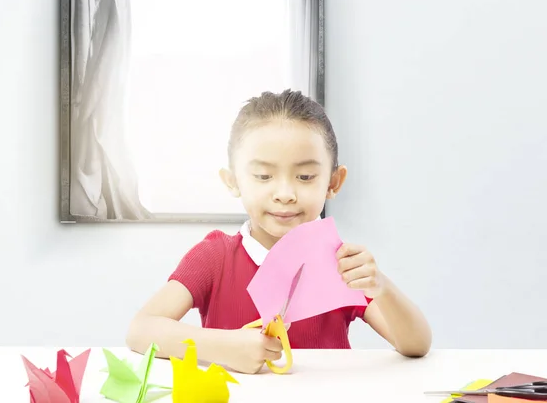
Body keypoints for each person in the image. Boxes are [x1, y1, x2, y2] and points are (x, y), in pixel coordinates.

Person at [126, 89, 432, 374]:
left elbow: (416, 345)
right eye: (263, 175)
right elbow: (141, 329)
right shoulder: (213, 257)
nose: (285, 193)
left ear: (333, 182)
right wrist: (223, 347)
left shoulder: (341, 264)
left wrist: (380, 285)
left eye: (305, 176)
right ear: (232, 181)